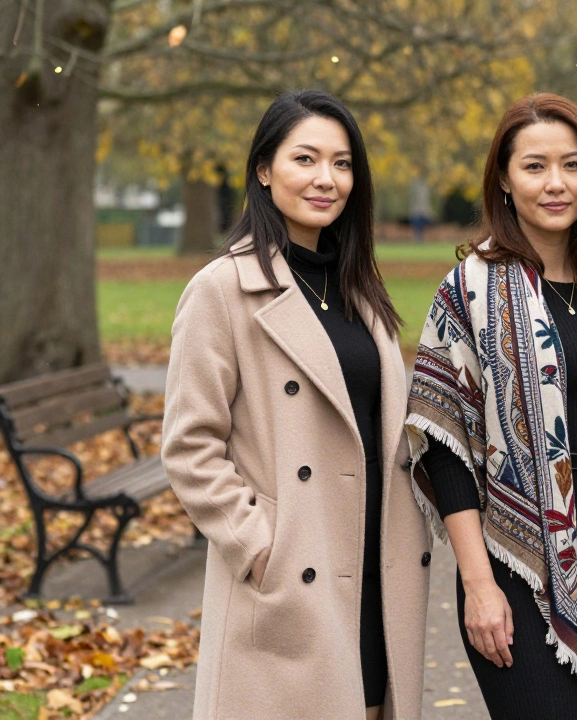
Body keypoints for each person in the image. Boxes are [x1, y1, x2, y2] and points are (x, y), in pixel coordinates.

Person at [161, 90, 432, 720]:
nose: (325, 179)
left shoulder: (360, 288)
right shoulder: (222, 290)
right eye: (305, 159)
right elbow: (189, 445)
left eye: (341, 164)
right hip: (293, 575)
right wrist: (261, 548)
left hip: (375, 566)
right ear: (263, 168)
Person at [403, 93, 577, 720]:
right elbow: (443, 447)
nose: (556, 184)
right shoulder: (469, 289)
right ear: (503, 177)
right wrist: (478, 584)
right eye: (535, 166)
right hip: (519, 576)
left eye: (572, 165)